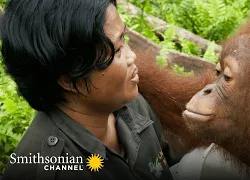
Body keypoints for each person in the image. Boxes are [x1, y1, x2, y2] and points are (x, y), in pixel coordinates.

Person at [0, 0, 182, 179]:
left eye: (124, 39)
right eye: (118, 50)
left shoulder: (131, 102)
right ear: (71, 81)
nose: (132, 56)